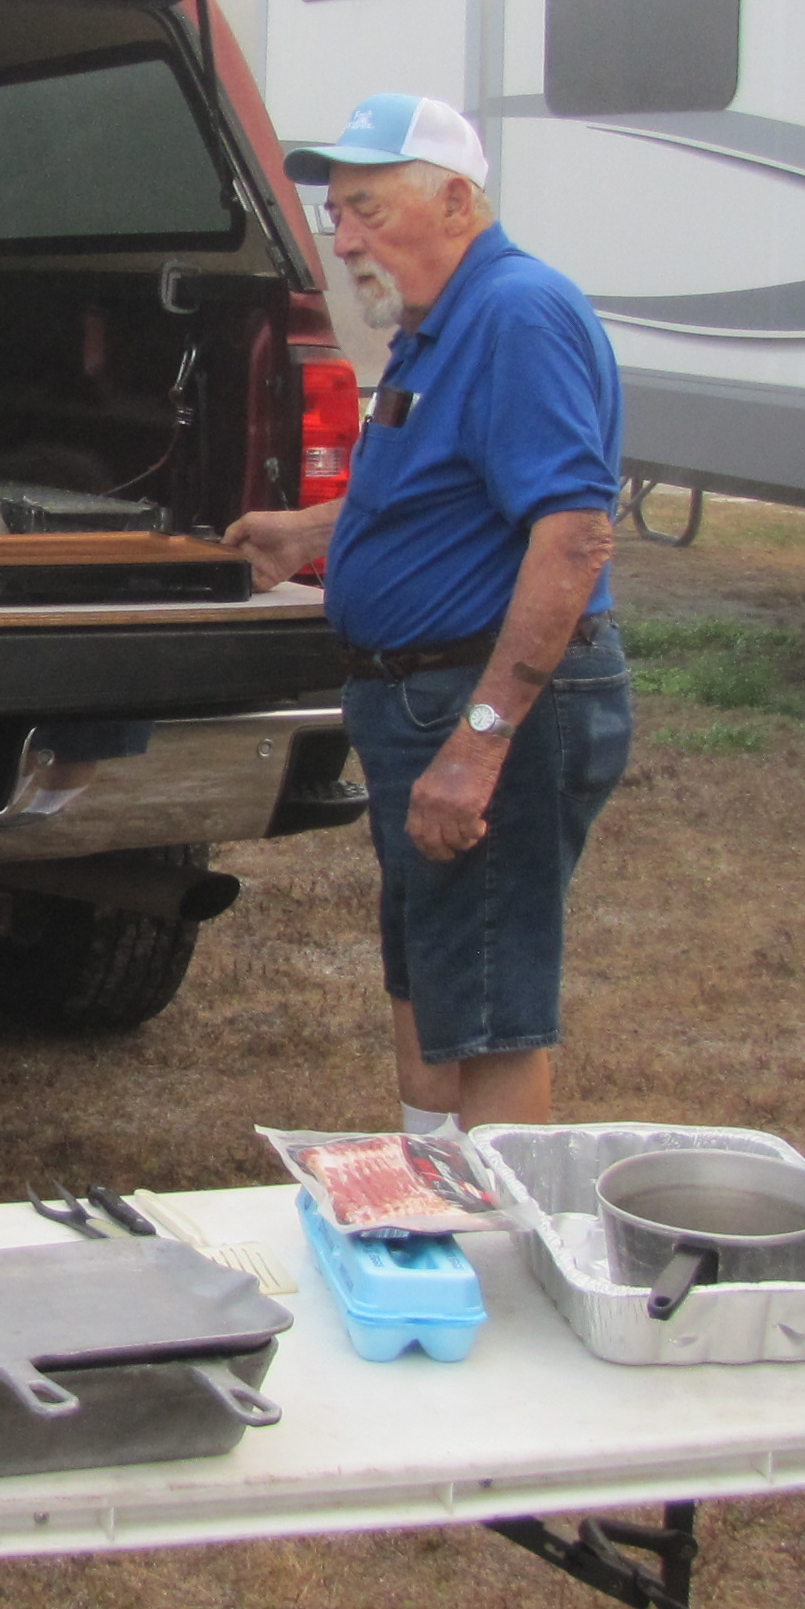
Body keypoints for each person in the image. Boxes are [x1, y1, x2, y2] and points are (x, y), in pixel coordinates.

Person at [224, 93, 629, 1140]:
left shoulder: (514, 312)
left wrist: (480, 743)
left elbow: (572, 536)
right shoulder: (432, 326)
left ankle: (492, 1257)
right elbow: (447, 490)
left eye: (365, 207)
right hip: (416, 699)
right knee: (432, 977)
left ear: (455, 200)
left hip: (481, 702)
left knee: (489, 1008)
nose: (342, 236)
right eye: (335, 214)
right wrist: (312, 534)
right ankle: (428, 1203)